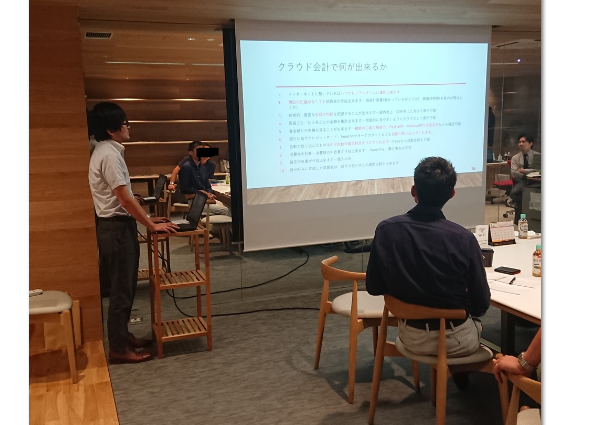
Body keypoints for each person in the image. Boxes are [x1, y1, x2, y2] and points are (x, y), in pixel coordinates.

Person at [366, 157, 490, 360]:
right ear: (452, 194)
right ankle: (460, 374)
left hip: (410, 336)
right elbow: (481, 304)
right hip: (455, 340)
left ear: (413, 191)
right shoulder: (463, 238)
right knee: (480, 327)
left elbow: (374, 287)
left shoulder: (386, 229)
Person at [89, 102, 179, 364]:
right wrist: (151, 225)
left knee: (125, 287)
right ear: (111, 129)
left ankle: (123, 336)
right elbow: (124, 199)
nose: (128, 127)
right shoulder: (108, 154)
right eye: (125, 123)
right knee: (121, 290)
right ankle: (118, 348)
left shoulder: (106, 150)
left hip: (116, 226)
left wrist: (147, 217)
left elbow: (124, 197)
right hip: (116, 229)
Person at [178, 141, 230, 216]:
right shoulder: (186, 167)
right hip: (194, 201)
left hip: (204, 198)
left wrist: (209, 193)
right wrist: (201, 192)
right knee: (226, 210)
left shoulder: (202, 167)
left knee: (227, 206)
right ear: (191, 152)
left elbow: (207, 185)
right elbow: (184, 189)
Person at [509, 134, 540, 224]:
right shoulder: (515, 158)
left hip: (536, 181)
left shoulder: (538, 156)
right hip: (522, 180)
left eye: (523, 142)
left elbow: (539, 170)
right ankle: (521, 212)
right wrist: (527, 174)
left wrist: (525, 171)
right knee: (515, 193)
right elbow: (514, 173)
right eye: (519, 142)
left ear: (531, 143)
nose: (521, 144)